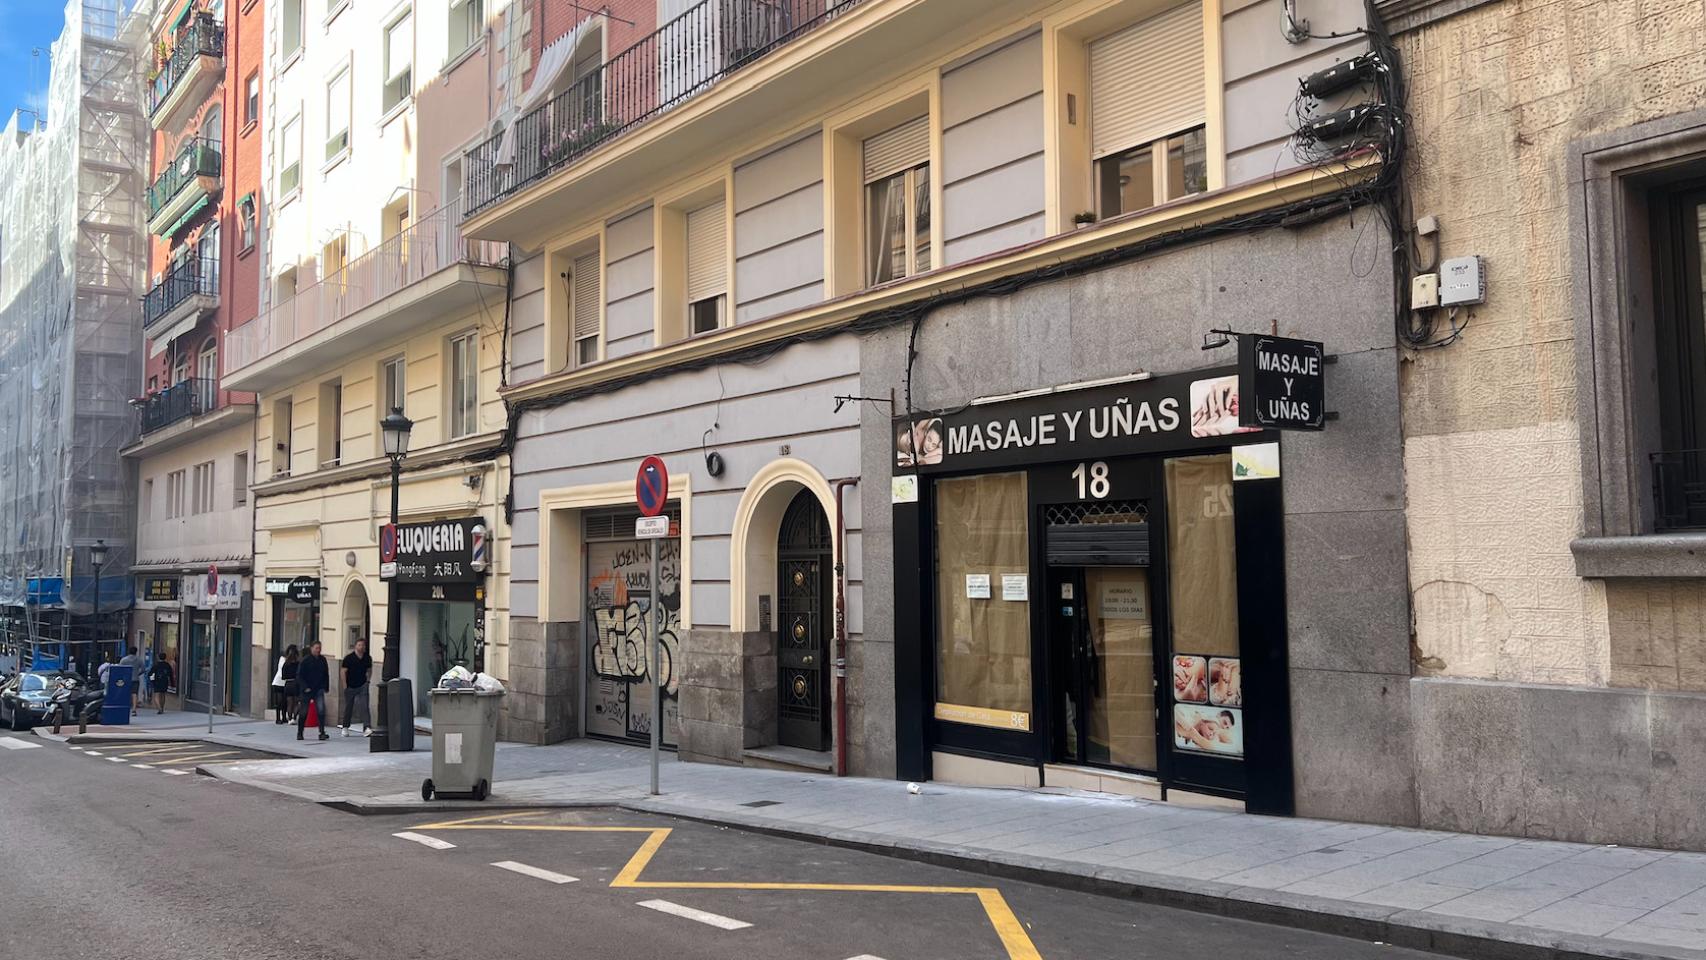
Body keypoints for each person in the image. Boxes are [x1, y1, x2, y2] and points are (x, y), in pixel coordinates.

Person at [339, 638, 374, 738]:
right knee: (348, 707)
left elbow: (369, 669)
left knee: (364, 706)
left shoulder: (367, 658)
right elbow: (343, 671)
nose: (361, 647)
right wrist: (345, 685)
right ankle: (345, 727)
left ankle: (367, 727)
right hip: (350, 685)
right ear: (355, 646)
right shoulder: (349, 658)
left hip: (362, 685)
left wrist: (368, 681)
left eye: (363, 645)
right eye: (359, 645)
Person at [296, 640, 330, 741]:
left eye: (319, 648)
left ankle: (322, 732)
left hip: (318, 689)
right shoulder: (305, 660)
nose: (318, 650)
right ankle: (300, 732)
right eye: (316, 648)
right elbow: (299, 675)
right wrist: (305, 687)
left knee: (321, 710)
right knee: (304, 712)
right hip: (307, 690)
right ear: (311, 649)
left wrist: (326, 687)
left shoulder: (322, 660)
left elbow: (326, 674)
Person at [118, 646, 143, 716]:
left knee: (125, 693)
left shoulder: (124, 660)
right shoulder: (139, 660)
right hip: (135, 679)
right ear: (136, 652)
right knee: (134, 694)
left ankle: (125, 707)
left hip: (126, 679)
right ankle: (134, 709)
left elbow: (120, 669)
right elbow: (143, 669)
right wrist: (138, 673)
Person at [280, 645, 300, 725]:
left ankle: (289, 718)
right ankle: (294, 717)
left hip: (288, 684)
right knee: (297, 702)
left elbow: (283, 676)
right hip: (295, 683)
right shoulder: (298, 663)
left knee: (289, 703)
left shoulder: (286, 664)